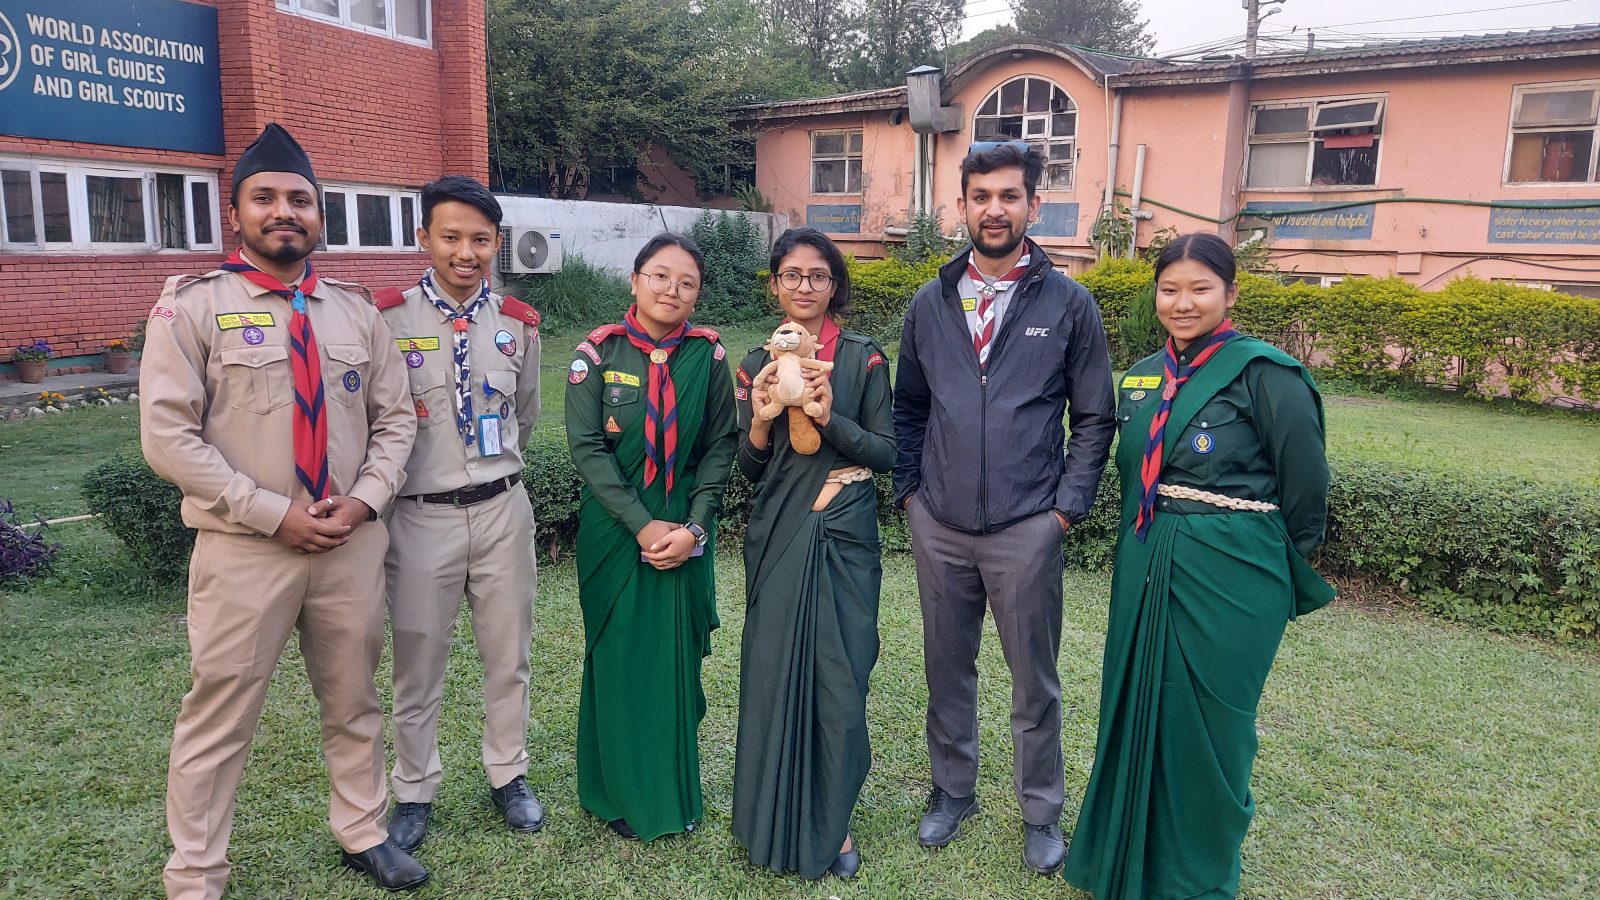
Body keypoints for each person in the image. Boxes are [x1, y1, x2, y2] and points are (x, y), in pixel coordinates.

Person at [139, 123, 426, 897]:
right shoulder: (192, 309)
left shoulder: (356, 312)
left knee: (354, 698)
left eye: (299, 199)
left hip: (348, 546)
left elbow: (397, 419)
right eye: (264, 198)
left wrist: (364, 502)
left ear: (319, 215)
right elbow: (167, 436)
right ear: (236, 214)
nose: (283, 211)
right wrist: (270, 511)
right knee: (219, 710)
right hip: (245, 549)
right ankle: (196, 870)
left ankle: (362, 829)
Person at [1063, 232, 1335, 899]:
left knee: (1214, 725)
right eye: (1169, 288)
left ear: (1231, 293)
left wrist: (1263, 572)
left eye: (1200, 289)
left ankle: (1198, 875)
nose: (1182, 303)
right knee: (1137, 708)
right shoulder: (1143, 374)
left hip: (1235, 574)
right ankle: (1124, 860)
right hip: (1148, 560)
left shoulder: (1266, 373)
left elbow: (1307, 492)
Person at [892, 140, 1116, 874]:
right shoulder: (930, 301)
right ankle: (952, 791)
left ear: (1032, 206)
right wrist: (911, 497)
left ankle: (1041, 812)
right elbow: (909, 408)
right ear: (962, 206)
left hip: (1027, 528)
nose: (994, 209)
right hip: (941, 526)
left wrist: (1064, 513)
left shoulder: (1068, 302)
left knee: (1034, 680)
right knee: (946, 668)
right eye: (981, 196)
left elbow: (1094, 418)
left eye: (1009, 196)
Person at [373, 175, 544, 852]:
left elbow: (524, 416)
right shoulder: (386, 320)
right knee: (419, 657)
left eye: (480, 238)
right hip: (420, 516)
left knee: (509, 656)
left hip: (502, 509)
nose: (465, 251)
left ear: (495, 243)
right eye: (451, 237)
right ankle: (414, 788)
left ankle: (508, 773)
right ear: (425, 240)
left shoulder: (518, 323)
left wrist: (490, 473)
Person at [730, 228, 895, 880]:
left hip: (844, 532)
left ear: (834, 285)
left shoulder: (864, 358)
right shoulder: (753, 363)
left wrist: (830, 421)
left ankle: (836, 823)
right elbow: (748, 467)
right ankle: (764, 821)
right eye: (792, 274)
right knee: (771, 678)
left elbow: (887, 454)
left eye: (818, 275)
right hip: (778, 533)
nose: (804, 286)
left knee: (841, 681)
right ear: (775, 283)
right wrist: (764, 417)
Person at [565, 233, 738, 842]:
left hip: (686, 532)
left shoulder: (708, 357)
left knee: (675, 664)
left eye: (686, 282)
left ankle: (673, 792)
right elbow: (587, 448)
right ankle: (612, 792)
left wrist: (694, 527)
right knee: (617, 659)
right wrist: (644, 525)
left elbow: (721, 444)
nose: (672, 290)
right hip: (617, 533)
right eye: (660, 276)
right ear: (634, 282)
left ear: (697, 295)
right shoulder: (596, 354)